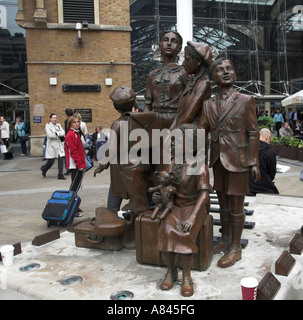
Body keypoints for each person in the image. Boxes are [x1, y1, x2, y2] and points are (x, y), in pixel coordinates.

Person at [200, 58, 260, 268]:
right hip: (217, 161)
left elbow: (253, 132)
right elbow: (201, 133)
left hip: (238, 161)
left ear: (234, 74)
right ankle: (225, 238)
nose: (225, 72)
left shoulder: (245, 100)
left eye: (229, 69)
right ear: (213, 77)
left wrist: (253, 162)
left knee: (236, 206)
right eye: (219, 70)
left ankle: (235, 246)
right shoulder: (207, 104)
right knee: (223, 204)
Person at [156, 123, 210, 297]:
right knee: (166, 229)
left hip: (193, 209)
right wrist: (159, 196)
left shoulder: (199, 165)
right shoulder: (171, 163)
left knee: (184, 234)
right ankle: (170, 272)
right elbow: (165, 188)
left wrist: (193, 218)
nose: (172, 143)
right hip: (176, 207)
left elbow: (204, 194)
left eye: (177, 140)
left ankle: (187, 277)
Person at [143, 29, 188, 128]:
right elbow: (147, 104)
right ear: (160, 45)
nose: (169, 44)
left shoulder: (184, 72)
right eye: (165, 40)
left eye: (173, 41)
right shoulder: (152, 74)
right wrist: (144, 124)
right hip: (154, 121)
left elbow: (190, 103)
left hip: (177, 121)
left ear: (179, 48)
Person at [169, 41, 212, 130]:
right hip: (181, 131)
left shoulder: (204, 83)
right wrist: (169, 132)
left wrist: (172, 136)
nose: (184, 63)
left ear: (198, 62)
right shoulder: (191, 82)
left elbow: (189, 115)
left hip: (192, 136)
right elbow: (179, 114)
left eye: (187, 59)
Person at [65, 113, 86, 216]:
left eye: (78, 122)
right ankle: (72, 209)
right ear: (70, 124)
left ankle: (75, 207)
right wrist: (79, 165)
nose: (77, 124)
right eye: (74, 122)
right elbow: (73, 152)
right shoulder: (71, 135)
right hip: (75, 165)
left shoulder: (75, 133)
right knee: (74, 188)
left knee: (76, 187)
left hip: (77, 164)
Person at [248, 128, 279, 196]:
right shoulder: (269, 152)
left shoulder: (249, 148)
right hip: (263, 185)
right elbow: (272, 173)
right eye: (270, 138)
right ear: (267, 137)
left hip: (247, 184)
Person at [40, 113, 66, 180]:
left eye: (55, 118)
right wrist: (58, 134)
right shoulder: (48, 126)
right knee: (51, 161)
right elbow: (50, 135)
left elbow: (63, 133)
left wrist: (56, 133)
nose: (55, 119)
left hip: (59, 144)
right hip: (51, 145)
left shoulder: (58, 125)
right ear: (50, 119)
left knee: (61, 159)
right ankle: (44, 169)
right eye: (53, 118)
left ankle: (60, 174)